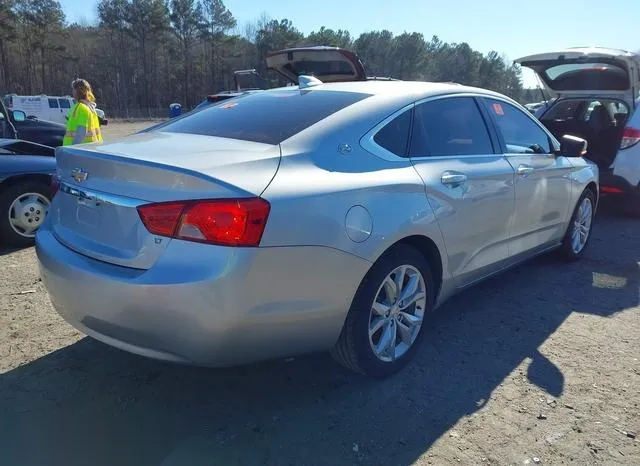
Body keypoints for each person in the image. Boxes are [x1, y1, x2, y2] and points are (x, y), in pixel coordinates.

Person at [63, 78, 103, 146]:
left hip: (80, 151)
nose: (72, 92)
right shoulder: (90, 108)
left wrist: (72, 151)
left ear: (77, 91)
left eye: (73, 89)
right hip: (89, 150)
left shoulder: (82, 108)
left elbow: (81, 133)